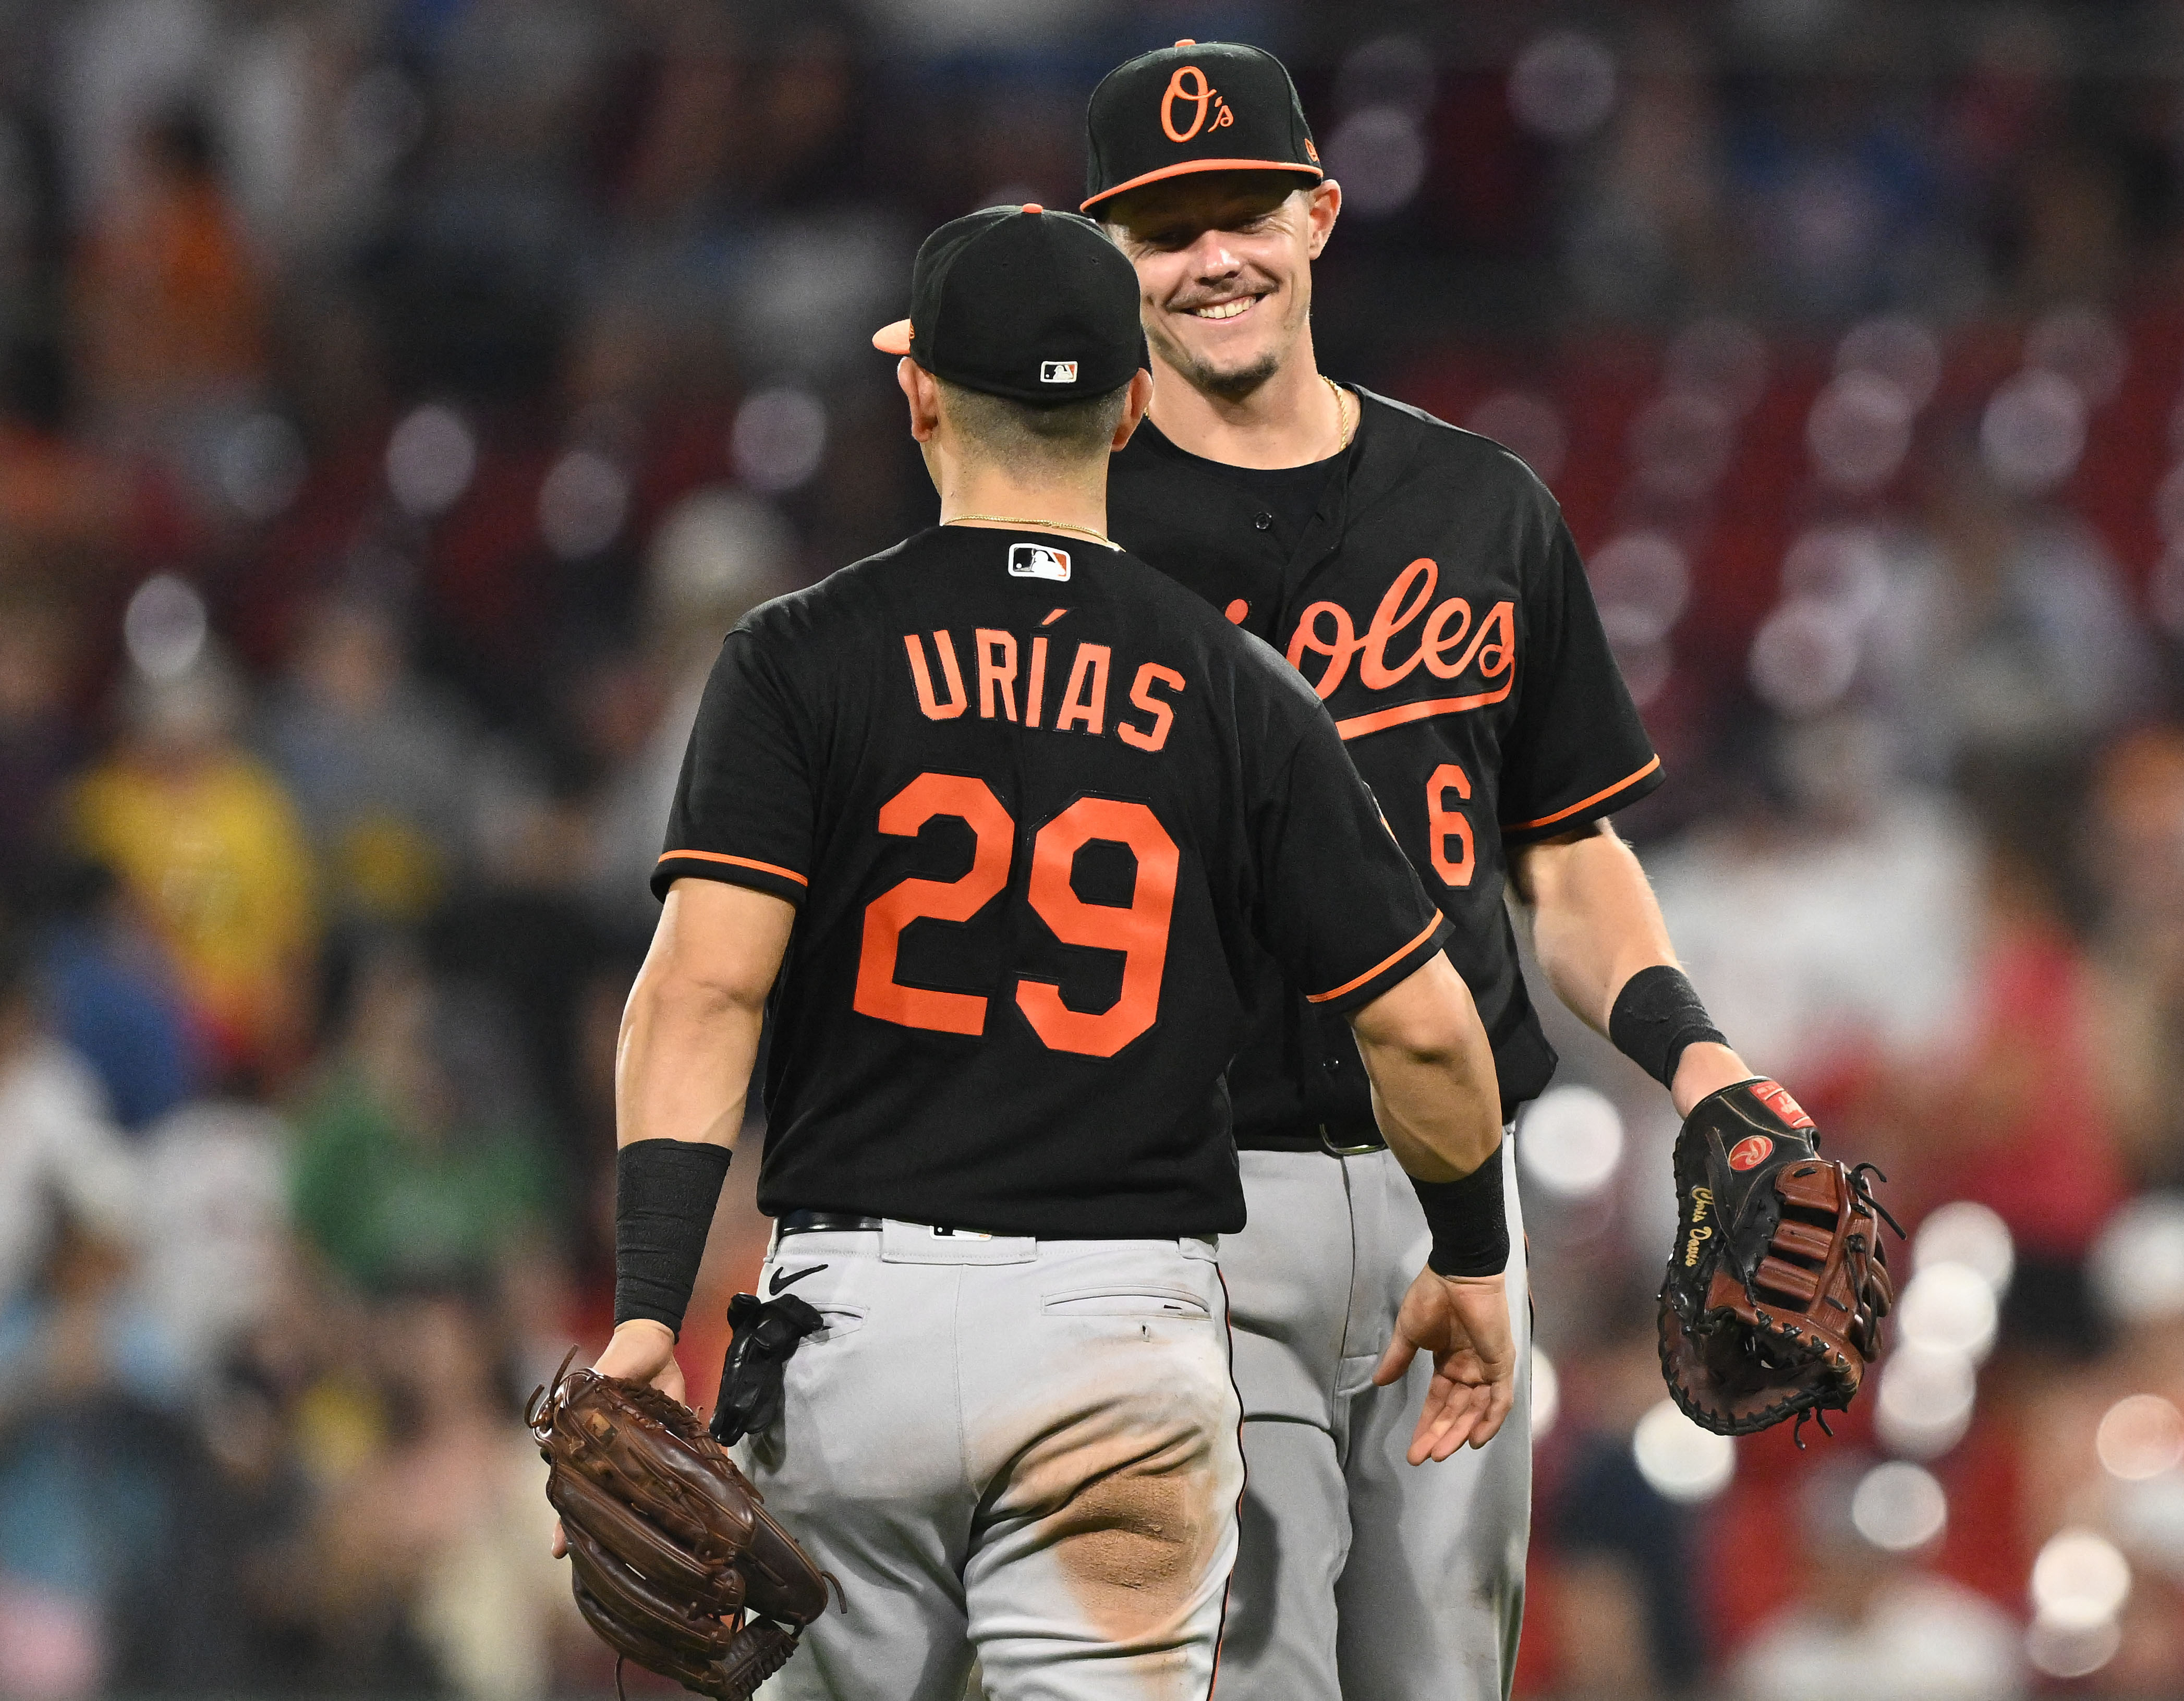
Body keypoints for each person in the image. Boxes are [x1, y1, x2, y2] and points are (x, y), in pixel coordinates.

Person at [565, 204, 1516, 1701]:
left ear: (919, 393)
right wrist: (1469, 1253)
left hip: (853, 1326)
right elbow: (1424, 1034)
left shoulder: (798, 654)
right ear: (1138, 402)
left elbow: (706, 985)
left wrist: (644, 1303)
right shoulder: (1237, 686)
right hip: (1119, 1340)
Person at [1086, 40, 1769, 1700]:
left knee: (1449, 1679)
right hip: (1185, 1202)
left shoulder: (1481, 507)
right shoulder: (1075, 537)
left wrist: (1700, 1060)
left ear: (1320, 213)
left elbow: (1570, 856)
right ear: (1108, 260)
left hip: (1450, 1200)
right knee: (1252, 1680)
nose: (1215, 257)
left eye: (1245, 209)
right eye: (1165, 230)